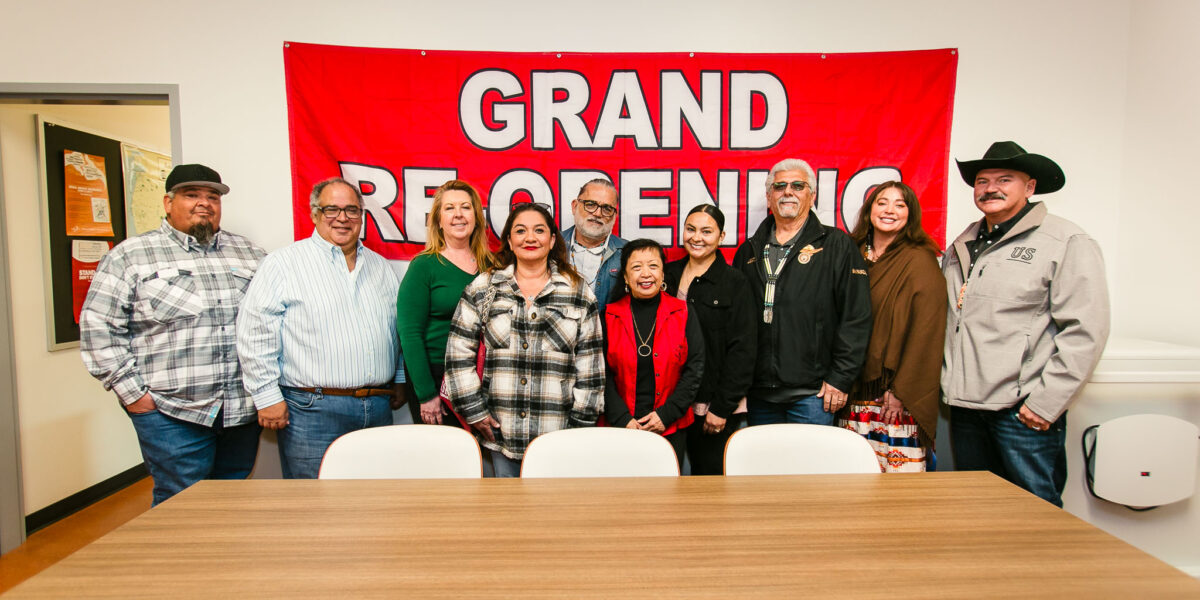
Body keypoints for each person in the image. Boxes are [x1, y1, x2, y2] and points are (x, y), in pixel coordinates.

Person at [80, 164, 266, 505]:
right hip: (172, 414)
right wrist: (136, 397)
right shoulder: (130, 256)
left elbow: (268, 323)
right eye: (191, 195)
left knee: (231, 502)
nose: (204, 203)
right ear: (168, 203)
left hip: (240, 411)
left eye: (212, 197)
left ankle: (219, 561)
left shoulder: (250, 254)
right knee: (179, 507)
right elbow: (98, 331)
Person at [943, 141, 1110, 506]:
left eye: (1005, 179)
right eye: (983, 181)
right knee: (975, 508)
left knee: (1036, 516)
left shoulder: (1065, 241)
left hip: (1021, 413)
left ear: (1030, 187)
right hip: (966, 410)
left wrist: (1046, 403)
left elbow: (1086, 330)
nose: (990, 188)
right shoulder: (964, 241)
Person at [236, 177, 405, 479]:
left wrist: (401, 379)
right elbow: (255, 332)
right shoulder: (283, 263)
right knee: (314, 506)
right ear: (314, 214)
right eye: (332, 209)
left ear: (362, 217)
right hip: (312, 409)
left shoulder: (381, 267)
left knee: (376, 501)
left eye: (352, 210)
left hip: (378, 406)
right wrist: (266, 396)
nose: (342, 218)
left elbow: (397, 329)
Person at [443, 203, 604, 477]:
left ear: (553, 240)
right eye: (521, 231)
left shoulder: (579, 292)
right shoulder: (483, 289)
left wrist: (578, 429)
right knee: (506, 518)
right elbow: (458, 356)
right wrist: (475, 412)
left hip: (558, 440)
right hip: (501, 437)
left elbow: (590, 369)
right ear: (509, 240)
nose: (530, 238)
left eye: (539, 230)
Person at [731, 158, 872, 427]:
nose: (788, 192)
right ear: (769, 196)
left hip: (814, 394)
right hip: (760, 394)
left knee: (809, 469)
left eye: (798, 185)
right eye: (779, 186)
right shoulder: (748, 251)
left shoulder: (837, 246)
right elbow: (736, 324)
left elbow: (857, 317)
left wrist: (840, 378)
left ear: (812, 194)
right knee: (765, 469)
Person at [836, 181, 947, 473]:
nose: (890, 210)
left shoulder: (920, 259)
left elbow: (927, 331)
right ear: (869, 209)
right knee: (851, 480)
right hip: (851, 388)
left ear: (910, 214)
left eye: (900, 204)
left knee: (897, 490)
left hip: (892, 397)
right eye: (882, 202)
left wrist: (900, 390)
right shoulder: (850, 252)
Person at [664, 205, 756, 475]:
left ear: (721, 236)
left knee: (710, 484)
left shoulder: (734, 282)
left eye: (707, 231)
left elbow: (743, 349)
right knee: (666, 481)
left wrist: (722, 408)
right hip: (669, 403)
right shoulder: (666, 275)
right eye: (690, 229)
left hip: (712, 405)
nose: (697, 237)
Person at [397, 180, 493, 427]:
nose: (458, 214)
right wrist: (426, 394)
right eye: (449, 208)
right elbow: (409, 333)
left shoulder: (493, 265)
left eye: (466, 207)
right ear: (438, 220)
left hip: (483, 373)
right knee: (444, 460)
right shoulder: (424, 266)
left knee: (480, 458)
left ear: (476, 218)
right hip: (437, 375)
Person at [604, 239, 705, 470]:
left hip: (669, 426)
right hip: (622, 427)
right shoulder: (609, 315)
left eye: (653, 265)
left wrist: (665, 415)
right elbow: (602, 375)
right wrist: (623, 420)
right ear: (626, 278)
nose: (646, 274)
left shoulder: (683, 312)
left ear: (662, 273)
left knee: (667, 499)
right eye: (636, 267)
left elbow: (695, 369)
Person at [562, 178, 626, 312]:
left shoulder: (628, 253)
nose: (597, 213)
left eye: (607, 208)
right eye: (590, 204)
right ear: (574, 206)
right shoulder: (551, 246)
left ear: (615, 215)